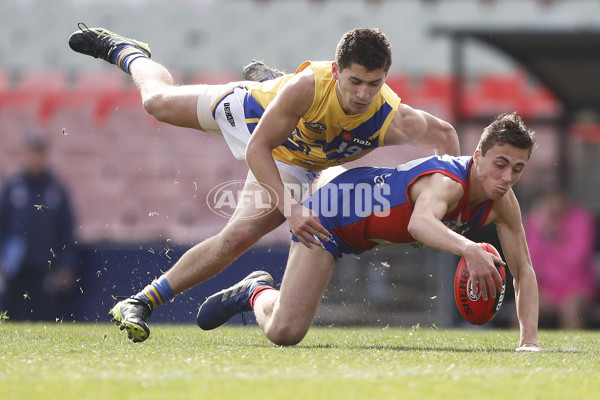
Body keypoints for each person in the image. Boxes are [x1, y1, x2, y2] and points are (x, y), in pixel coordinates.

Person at [68, 24, 459, 342]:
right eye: (355, 81)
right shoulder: (309, 87)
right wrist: (292, 209)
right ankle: (125, 50)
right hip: (254, 118)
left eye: (374, 84)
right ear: (337, 71)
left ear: (385, 79)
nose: (363, 94)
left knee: (238, 237)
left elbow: (445, 140)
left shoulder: (392, 117)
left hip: (297, 162)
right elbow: (257, 149)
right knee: (158, 103)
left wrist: (448, 209)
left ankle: (140, 302)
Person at [196, 112, 545, 351]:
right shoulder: (448, 182)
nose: (506, 178)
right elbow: (419, 224)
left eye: (517, 169)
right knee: (284, 333)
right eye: (500, 164)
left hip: (361, 206)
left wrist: (529, 342)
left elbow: (524, 272)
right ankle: (255, 290)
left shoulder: (503, 201)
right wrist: (470, 249)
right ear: (479, 155)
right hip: (330, 219)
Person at [0, 130, 77, 321]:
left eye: (39, 153)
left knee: (46, 317)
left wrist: (66, 265)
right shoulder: (13, 186)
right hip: (14, 267)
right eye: (31, 152)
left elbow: (67, 231)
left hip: (45, 267)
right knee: (10, 315)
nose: (35, 158)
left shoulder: (56, 188)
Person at [524, 185, 597, 329]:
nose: (554, 203)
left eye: (557, 198)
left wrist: (556, 236)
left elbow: (577, 259)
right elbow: (529, 261)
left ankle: (572, 350)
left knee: (571, 309)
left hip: (576, 287)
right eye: (549, 198)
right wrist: (542, 232)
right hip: (547, 288)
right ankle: (521, 347)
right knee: (526, 305)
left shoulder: (582, 220)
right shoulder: (537, 221)